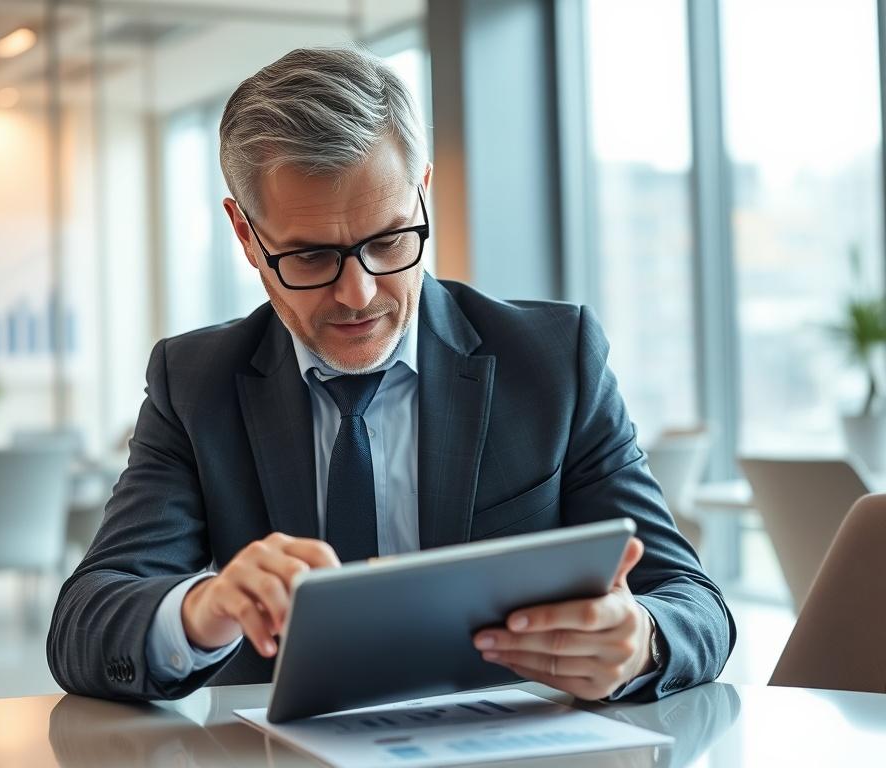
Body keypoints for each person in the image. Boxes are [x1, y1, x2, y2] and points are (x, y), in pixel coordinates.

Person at [47, 46, 734, 704]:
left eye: (388, 242)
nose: (359, 293)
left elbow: (693, 603)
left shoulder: (553, 361)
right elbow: (83, 624)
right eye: (311, 258)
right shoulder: (194, 383)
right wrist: (200, 609)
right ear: (245, 235)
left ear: (422, 194)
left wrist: (639, 639)